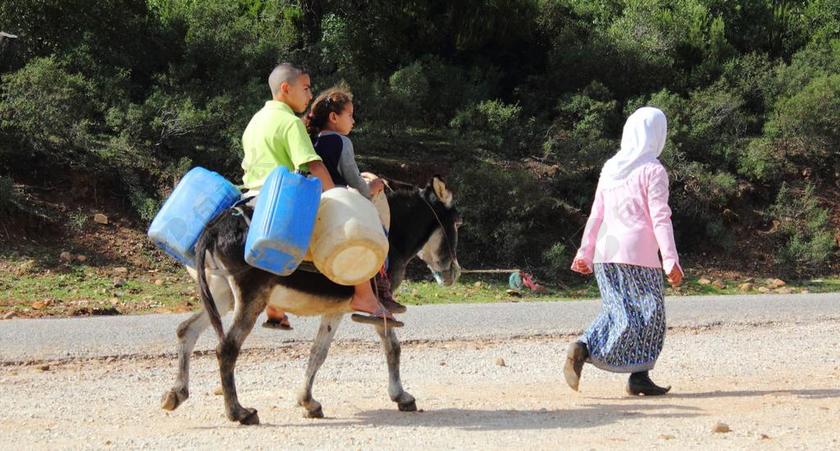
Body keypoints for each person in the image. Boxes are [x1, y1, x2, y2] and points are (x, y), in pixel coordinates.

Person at [241, 65, 400, 329]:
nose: (309, 94)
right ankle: (366, 297)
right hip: (279, 200)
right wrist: (338, 198)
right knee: (353, 229)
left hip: (251, 198)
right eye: (305, 88)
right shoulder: (290, 122)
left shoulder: (255, 121)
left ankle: (275, 306)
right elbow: (313, 166)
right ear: (285, 88)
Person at [565, 107, 683, 396]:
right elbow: (660, 217)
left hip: (606, 253)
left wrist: (585, 251)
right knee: (650, 316)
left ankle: (635, 375)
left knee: (619, 310)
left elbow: (596, 214)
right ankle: (589, 349)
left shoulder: (611, 167)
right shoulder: (653, 170)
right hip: (638, 255)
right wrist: (670, 260)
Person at [303, 86, 407, 320]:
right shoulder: (342, 142)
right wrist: (374, 185)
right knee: (377, 231)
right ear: (334, 117)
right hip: (340, 203)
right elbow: (356, 184)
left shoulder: (314, 141)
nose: (353, 121)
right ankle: (382, 286)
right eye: (350, 115)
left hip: (317, 204)